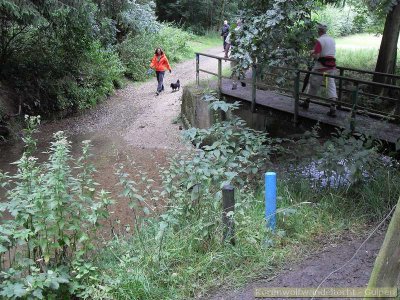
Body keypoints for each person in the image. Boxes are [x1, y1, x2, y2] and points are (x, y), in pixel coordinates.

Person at [301, 23, 338, 117]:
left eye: (318, 30)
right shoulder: (332, 40)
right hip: (331, 66)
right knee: (331, 85)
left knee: (313, 84)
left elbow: (317, 56)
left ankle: (306, 102)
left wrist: (311, 53)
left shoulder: (319, 40)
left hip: (320, 67)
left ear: (319, 31)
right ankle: (333, 107)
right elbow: (328, 52)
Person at [229, 19, 245, 90]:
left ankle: (234, 84)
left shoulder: (232, 31)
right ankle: (242, 80)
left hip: (234, 53)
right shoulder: (245, 32)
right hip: (243, 54)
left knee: (234, 69)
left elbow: (227, 43)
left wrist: (226, 54)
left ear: (236, 23)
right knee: (242, 68)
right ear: (242, 24)